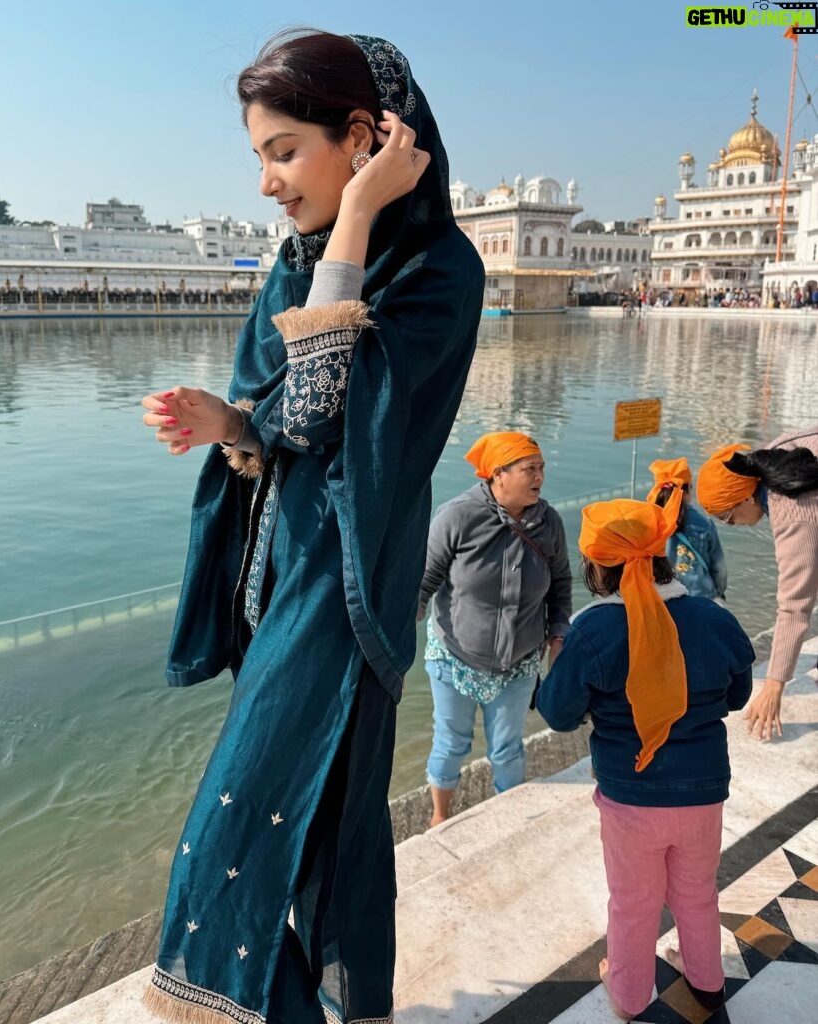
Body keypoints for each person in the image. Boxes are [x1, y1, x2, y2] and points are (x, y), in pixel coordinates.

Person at [139, 31, 484, 1024]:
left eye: (283, 150)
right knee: (328, 835)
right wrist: (229, 426)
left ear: (365, 135)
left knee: (240, 823)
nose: (266, 182)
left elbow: (325, 415)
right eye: (258, 155)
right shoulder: (301, 262)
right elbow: (282, 421)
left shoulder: (437, 272)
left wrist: (365, 212)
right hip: (281, 586)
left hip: (341, 599)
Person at [536, 496, 754, 1021]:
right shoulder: (710, 616)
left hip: (630, 799)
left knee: (633, 905)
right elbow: (739, 694)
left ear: (595, 566)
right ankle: (706, 980)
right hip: (704, 793)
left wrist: (556, 663)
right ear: (662, 554)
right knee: (697, 892)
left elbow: (559, 715)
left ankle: (631, 995)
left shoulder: (593, 631)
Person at [417, 431, 572, 827]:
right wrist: (393, 637)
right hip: (455, 657)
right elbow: (424, 582)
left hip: (518, 664)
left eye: (542, 468)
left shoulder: (549, 522)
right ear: (498, 474)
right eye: (529, 469)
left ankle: (509, 817)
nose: (540, 476)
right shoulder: (458, 515)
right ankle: (439, 816)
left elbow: (560, 584)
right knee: (452, 743)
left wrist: (558, 635)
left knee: (507, 748)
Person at [697, 427, 818, 742]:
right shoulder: (777, 450)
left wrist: (774, 685)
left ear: (746, 497)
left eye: (727, 518)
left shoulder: (793, 510)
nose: (731, 525)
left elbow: (795, 605)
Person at [647, 457, 726, 600]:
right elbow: (719, 566)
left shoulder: (650, 523)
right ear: (688, 488)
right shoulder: (704, 524)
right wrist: (719, 591)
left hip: (664, 597)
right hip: (701, 595)